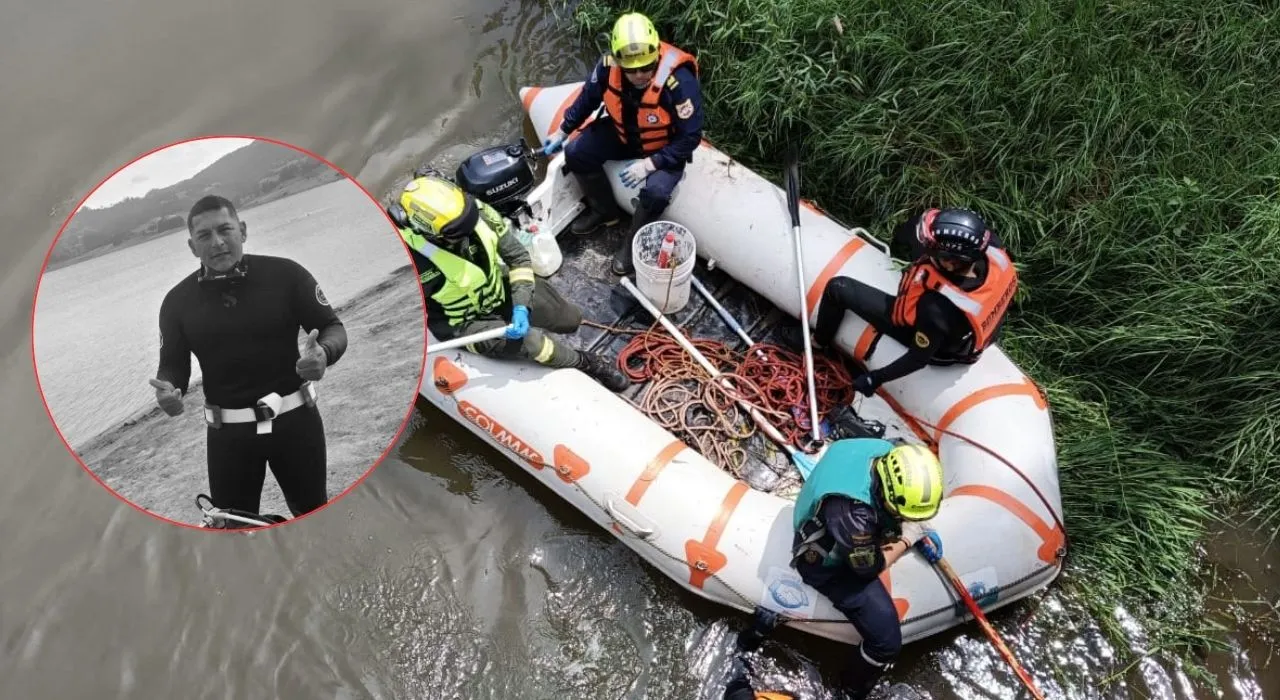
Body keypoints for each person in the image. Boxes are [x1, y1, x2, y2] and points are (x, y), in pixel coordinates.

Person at [151, 194, 347, 526]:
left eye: (225, 230)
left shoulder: (286, 275)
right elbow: (173, 365)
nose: (217, 242)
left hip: (295, 422)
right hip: (229, 436)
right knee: (236, 527)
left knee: (313, 516)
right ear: (192, 246)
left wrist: (323, 355)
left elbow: (332, 327)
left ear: (242, 230)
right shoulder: (176, 303)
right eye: (204, 236)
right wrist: (169, 390)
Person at [388, 173, 628, 392]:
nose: (470, 229)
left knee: (569, 319)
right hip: (463, 322)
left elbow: (518, 257)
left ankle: (529, 319)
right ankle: (586, 363)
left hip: (496, 288)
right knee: (534, 343)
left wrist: (521, 306)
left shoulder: (478, 214)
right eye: (459, 231)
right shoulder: (407, 262)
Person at [540, 12, 704, 275]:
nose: (640, 75)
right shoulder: (607, 66)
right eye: (632, 70)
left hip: (663, 147)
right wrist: (563, 130)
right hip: (623, 134)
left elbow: (691, 137)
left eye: (646, 68)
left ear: (656, 56)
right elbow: (587, 99)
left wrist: (651, 164)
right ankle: (604, 211)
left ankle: (631, 243)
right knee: (576, 153)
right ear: (619, 62)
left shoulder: (678, 82)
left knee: (657, 193)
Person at [799, 208, 1018, 398]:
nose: (927, 249)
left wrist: (874, 379)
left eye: (932, 249)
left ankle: (818, 343)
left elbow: (918, 358)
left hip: (937, 346)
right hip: (963, 335)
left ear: (950, 263)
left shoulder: (936, 308)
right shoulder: (991, 251)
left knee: (839, 288)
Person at [789, 436, 945, 699]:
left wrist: (909, 523)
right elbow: (868, 568)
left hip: (834, 501)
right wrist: (908, 537)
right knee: (886, 643)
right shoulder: (854, 518)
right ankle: (849, 689)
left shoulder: (884, 451)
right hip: (823, 562)